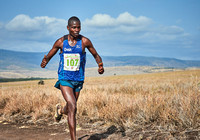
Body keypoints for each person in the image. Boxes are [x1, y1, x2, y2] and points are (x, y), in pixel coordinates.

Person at [40, 16, 104, 140]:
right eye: (74, 27)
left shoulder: (85, 41)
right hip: (65, 78)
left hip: (78, 79)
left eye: (78, 27)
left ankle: (60, 111)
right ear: (68, 28)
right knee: (73, 106)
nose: (76, 30)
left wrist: (100, 65)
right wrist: (45, 60)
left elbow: (96, 55)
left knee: (71, 108)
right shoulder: (60, 42)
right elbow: (50, 54)